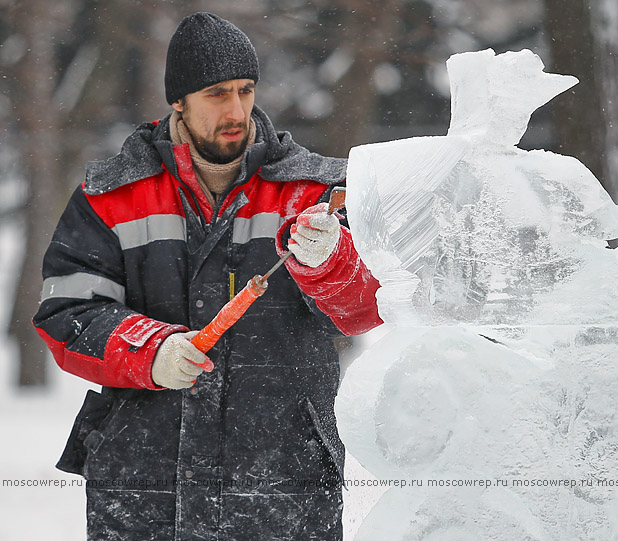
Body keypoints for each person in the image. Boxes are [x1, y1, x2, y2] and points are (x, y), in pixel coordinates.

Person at [33, 12, 382, 540]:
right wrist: (151, 351)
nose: (237, 109)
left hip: (282, 484)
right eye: (217, 93)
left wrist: (331, 262)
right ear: (178, 101)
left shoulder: (318, 191)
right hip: (142, 488)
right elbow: (67, 315)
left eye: (246, 90)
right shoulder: (108, 196)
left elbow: (364, 310)